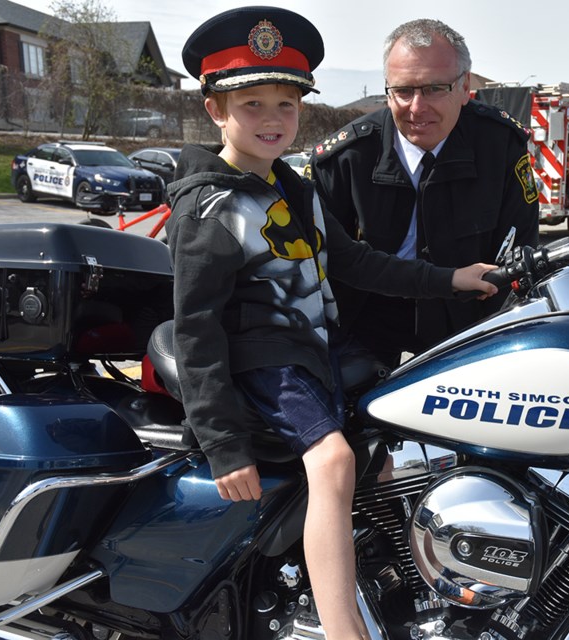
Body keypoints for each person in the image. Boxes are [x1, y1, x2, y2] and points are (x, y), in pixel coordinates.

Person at [169, 8, 498, 640]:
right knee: (333, 460)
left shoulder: (295, 189)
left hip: (312, 350)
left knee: (391, 435)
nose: (272, 120)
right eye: (253, 104)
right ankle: (342, 626)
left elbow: (353, 261)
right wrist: (223, 444)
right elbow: (197, 329)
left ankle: (381, 578)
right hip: (264, 360)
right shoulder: (209, 207)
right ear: (215, 110)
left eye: (286, 105)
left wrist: (450, 277)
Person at [310, 18, 540, 366]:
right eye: (403, 91)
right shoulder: (348, 157)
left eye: (435, 88)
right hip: (367, 320)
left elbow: (520, 245)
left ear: (464, 88)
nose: (417, 108)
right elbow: (328, 261)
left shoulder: (500, 146)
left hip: (467, 320)